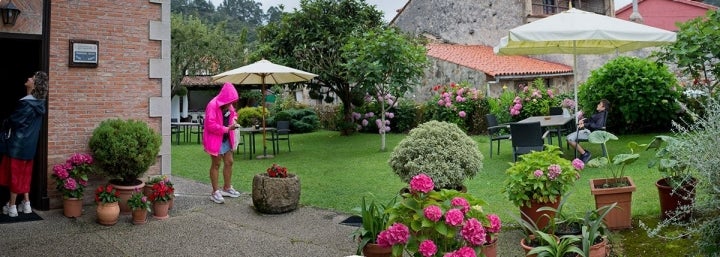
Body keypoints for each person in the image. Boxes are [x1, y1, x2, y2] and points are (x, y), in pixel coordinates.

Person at [1, 71, 48, 217]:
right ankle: (27, 204)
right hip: (30, 146)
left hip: (17, 145)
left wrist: (5, 122)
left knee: (15, 175)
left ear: (34, 85)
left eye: (32, 78)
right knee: (25, 175)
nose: (28, 78)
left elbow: (14, 121)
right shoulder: (38, 103)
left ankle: (12, 206)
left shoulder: (26, 103)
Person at [202, 82, 241, 204]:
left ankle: (227, 188)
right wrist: (227, 129)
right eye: (230, 101)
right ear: (224, 97)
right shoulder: (212, 105)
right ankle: (215, 192)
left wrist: (234, 119)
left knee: (229, 162)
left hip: (226, 138)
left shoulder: (229, 105)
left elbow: (233, 114)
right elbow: (210, 125)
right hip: (215, 139)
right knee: (216, 164)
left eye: (233, 101)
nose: (231, 104)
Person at [566, 99, 610, 164]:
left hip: (592, 134)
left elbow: (597, 126)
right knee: (569, 137)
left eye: (600, 104)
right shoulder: (600, 114)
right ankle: (584, 153)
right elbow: (591, 120)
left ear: (603, 107)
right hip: (589, 132)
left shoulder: (601, 116)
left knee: (569, 139)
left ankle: (585, 154)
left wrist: (585, 125)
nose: (598, 105)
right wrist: (584, 121)